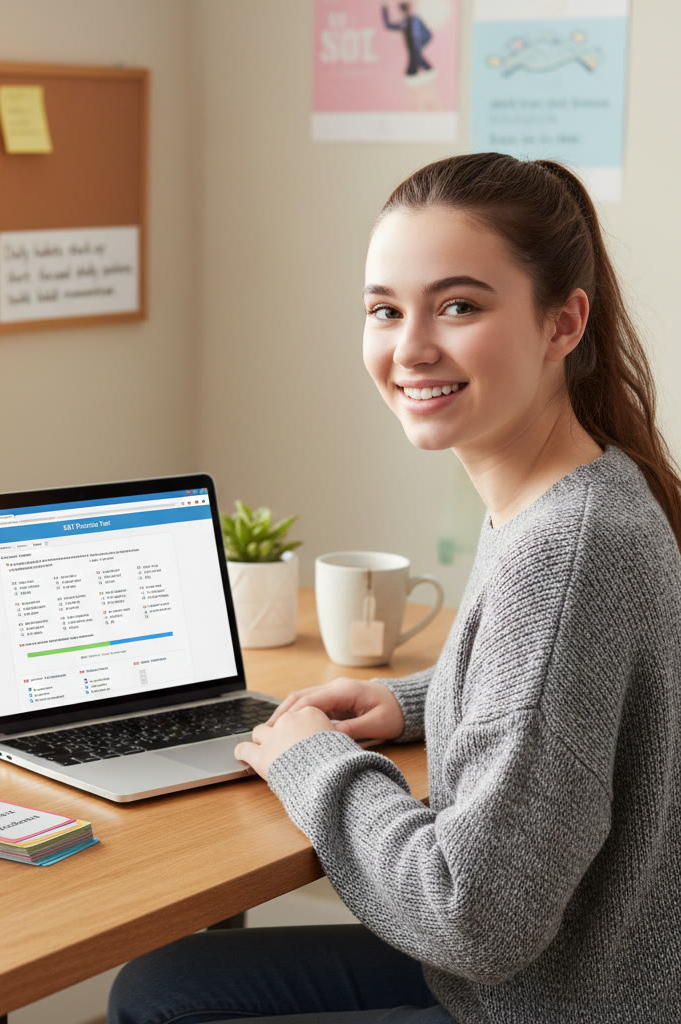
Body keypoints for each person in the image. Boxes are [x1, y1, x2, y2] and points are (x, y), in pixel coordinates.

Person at [107, 152, 681, 1023]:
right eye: (384, 310)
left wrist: (313, 765)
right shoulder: (583, 492)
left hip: (549, 998)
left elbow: (471, 918)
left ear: (563, 323)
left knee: (162, 1006)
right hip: (553, 974)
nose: (410, 348)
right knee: (164, 983)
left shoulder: (565, 551)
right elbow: (573, 698)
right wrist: (409, 702)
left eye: (458, 306)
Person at [382, 3, 432, 76]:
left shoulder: (416, 20)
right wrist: (384, 9)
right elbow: (389, 25)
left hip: (416, 48)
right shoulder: (404, 23)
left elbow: (428, 34)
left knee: (414, 69)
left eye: (406, 9)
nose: (406, 12)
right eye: (404, 10)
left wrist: (421, 44)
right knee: (414, 69)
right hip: (411, 48)